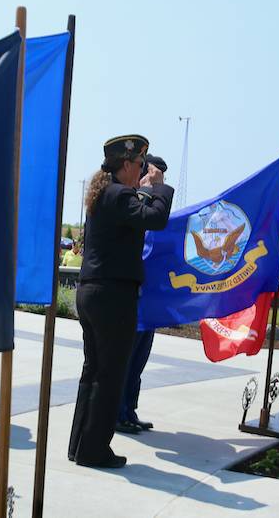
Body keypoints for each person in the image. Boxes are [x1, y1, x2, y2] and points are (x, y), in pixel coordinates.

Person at [67, 135, 173, 469]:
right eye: (140, 164)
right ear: (127, 165)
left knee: (93, 372)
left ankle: (80, 446)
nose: (143, 169)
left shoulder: (106, 194)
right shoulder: (118, 194)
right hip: (113, 296)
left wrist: (146, 188)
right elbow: (155, 218)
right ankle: (95, 449)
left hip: (94, 293)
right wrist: (159, 187)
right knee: (110, 376)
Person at [115, 154, 169, 435]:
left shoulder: (153, 207)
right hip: (132, 296)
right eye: (153, 173)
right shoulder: (132, 202)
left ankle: (129, 410)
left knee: (137, 362)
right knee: (125, 360)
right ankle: (118, 413)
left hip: (149, 300)